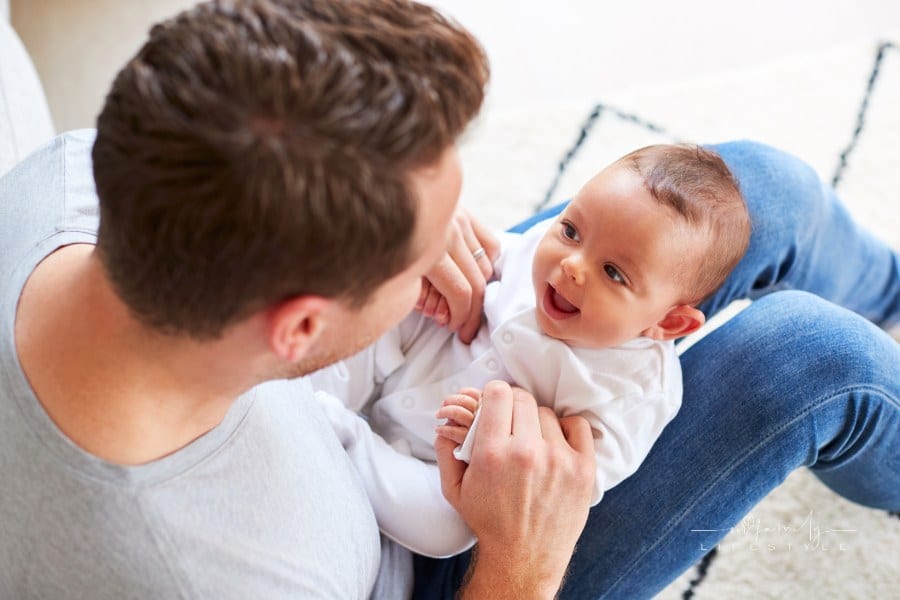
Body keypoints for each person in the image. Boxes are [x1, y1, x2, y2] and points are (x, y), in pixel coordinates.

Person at [0, 1, 896, 599]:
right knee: (822, 362)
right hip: (453, 554)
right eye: (422, 252)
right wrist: (520, 563)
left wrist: (415, 206)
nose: (460, 255)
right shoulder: (230, 574)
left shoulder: (84, 172)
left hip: (388, 402)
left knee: (757, 190)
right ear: (302, 327)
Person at [310, 143, 751, 558]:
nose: (572, 265)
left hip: (439, 463)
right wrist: (444, 282)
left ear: (669, 324)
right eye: (571, 230)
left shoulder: (635, 392)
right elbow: (492, 257)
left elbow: (570, 481)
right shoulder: (548, 246)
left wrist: (486, 440)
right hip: (421, 351)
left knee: (446, 531)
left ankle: (337, 432)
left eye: (613, 273)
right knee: (387, 296)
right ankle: (313, 388)